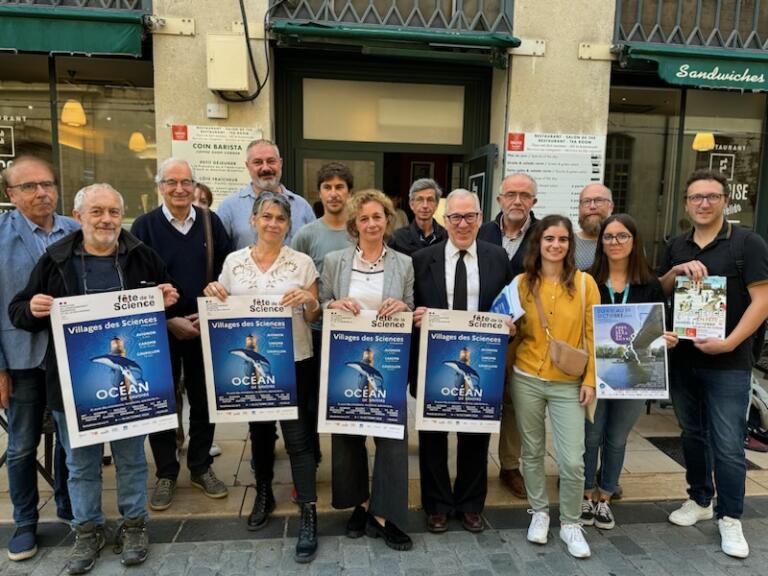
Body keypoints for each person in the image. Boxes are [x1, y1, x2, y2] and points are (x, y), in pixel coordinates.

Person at [9, 183, 179, 574]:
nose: (106, 220)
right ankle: (87, 530)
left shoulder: (141, 256)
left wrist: (168, 297)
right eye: (97, 212)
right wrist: (33, 308)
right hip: (75, 386)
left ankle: (134, 524)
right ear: (79, 214)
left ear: (123, 216)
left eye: (114, 213)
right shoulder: (55, 260)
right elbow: (18, 310)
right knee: (81, 464)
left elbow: (166, 300)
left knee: (132, 459)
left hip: (132, 388)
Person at [203, 192, 321, 562]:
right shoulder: (234, 262)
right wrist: (213, 291)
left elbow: (314, 316)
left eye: (280, 219)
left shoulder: (301, 262)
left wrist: (309, 300)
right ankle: (264, 493)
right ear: (253, 220)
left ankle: (309, 509)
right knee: (259, 431)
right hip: (251, 367)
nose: (273, 224)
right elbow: (221, 301)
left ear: (289, 225)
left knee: (299, 438)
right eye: (266, 216)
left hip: (294, 360)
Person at [659, 169, 768, 559]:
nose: (703, 203)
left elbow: (762, 300)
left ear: (725, 201)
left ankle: (730, 516)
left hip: (729, 361)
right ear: (686, 203)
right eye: (696, 197)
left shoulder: (747, 243)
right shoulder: (676, 244)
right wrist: (676, 270)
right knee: (692, 434)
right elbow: (661, 292)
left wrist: (730, 343)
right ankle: (701, 498)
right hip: (683, 358)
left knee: (727, 443)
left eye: (711, 196)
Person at [130, 158, 233, 511]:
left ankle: (201, 466)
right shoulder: (144, 227)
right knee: (162, 401)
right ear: (160, 186)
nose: (179, 189)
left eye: (186, 182)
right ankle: (165, 471)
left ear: (194, 186)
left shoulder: (209, 222)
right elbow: (136, 283)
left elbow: (225, 273)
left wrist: (208, 315)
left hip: (204, 326)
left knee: (206, 400)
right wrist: (169, 318)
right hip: (161, 329)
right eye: (171, 182)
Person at [412, 188, 513, 534]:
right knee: (433, 439)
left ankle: (471, 505)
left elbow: (508, 303)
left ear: (480, 219)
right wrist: (415, 314)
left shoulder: (497, 257)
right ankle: (437, 505)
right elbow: (410, 304)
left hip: (481, 363)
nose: (463, 223)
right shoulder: (423, 259)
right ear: (444, 220)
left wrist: (511, 323)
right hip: (435, 362)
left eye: (470, 216)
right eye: (455, 216)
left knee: (475, 436)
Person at [320, 189, 414, 551]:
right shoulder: (335, 261)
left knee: (392, 439)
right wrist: (334, 303)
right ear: (354, 224)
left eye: (378, 217)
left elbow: (411, 306)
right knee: (347, 436)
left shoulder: (403, 263)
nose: (372, 224)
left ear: (387, 221)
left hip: (388, 362)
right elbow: (323, 304)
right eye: (364, 218)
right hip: (345, 361)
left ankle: (384, 514)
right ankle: (358, 505)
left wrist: (402, 307)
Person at [0, 156, 78, 561]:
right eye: (29, 187)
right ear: (10, 194)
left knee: (71, 438)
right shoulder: (0, 236)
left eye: (47, 184)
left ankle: (68, 504)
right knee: (21, 445)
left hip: (72, 356)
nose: (42, 192)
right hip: (22, 357)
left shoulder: (76, 230)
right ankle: (25, 522)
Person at [582, 214, 678, 530]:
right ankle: (585, 495)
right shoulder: (587, 280)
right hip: (597, 372)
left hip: (635, 375)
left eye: (622, 236)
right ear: (601, 242)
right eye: (609, 237)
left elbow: (654, 328)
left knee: (617, 438)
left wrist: (665, 338)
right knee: (591, 436)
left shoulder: (649, 283)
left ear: (633, 241)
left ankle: (606, 497)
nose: (615, 243)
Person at [512, 214, 599, 559]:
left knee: (573, 460)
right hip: (527, 377)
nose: (555, 245)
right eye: (549, 238)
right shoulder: (522, 282)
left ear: (569, 245)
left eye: (562, 239)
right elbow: (513, 327)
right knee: (531, 451)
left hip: (568, 382)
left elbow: (593, 335)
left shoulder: (584, 284)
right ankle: (539, 512)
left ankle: (571, 523)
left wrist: (591, 379)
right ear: (538, 243)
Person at [477, 172, 539, 499]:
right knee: (481, 396)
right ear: (499, 199)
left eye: (525, 195)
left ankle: (510, 465)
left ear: (534, 202)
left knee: (516, 402)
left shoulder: (546, 234)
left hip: (528, 334)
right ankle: (475, 463)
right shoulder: (480, 231)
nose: (517, 201)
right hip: (484, 332)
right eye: (511, 194)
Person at [291, 162, 354, 469]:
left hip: (352, 332)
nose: (333, 193)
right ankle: (311, 457)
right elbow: (296, 280)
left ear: (349, 192)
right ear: (319, 193)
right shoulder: (306, 234)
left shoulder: (360, 230)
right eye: (327, 187)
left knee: (344, 397)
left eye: (339, 186)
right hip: (315, 329)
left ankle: (347, 463)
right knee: (311, 401)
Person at [217, 139, 315, 249]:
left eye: (271, 161)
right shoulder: (229, 207)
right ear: (247, 166)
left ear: (280, 163)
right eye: (258, 162)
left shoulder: (302, 206)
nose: (265, 168)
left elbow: (313, 249)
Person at [388, 178, 447, 256]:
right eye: (420, 199)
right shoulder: (398, 239)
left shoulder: (447, 237)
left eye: (430, 200)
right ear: (411, 204)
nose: (425, 205)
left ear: (436, 205)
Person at [574, 184, 613, 271]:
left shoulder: (627, 242)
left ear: (611, 206)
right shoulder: (565, 243)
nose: (592, 206)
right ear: (579, 208)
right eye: (586, 201)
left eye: (599, 200)